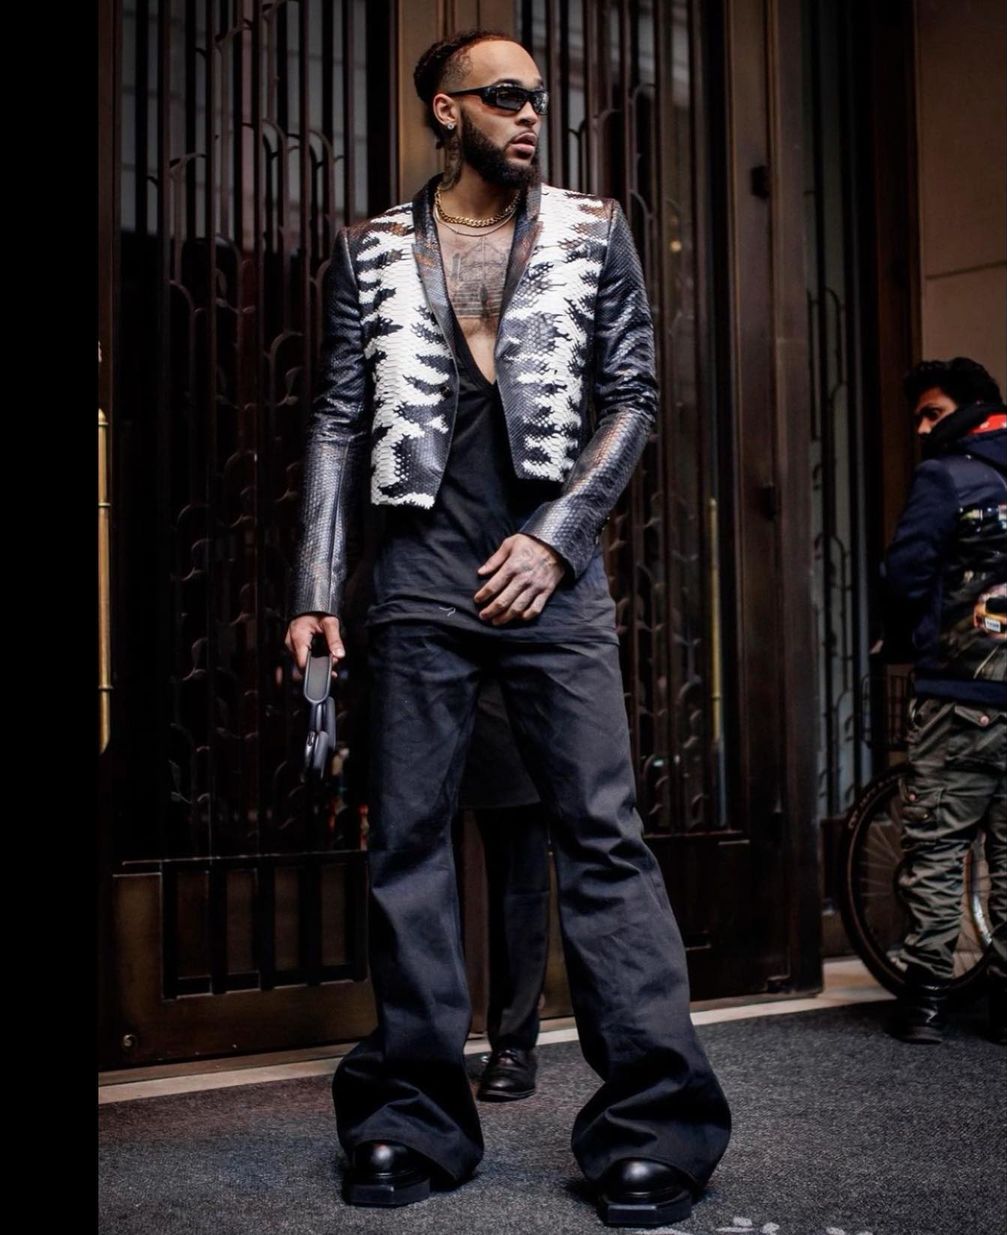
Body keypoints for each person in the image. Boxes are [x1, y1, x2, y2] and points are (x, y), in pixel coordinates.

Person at [283, 27, 731, 1229]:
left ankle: (654, 1125)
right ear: (446, 109)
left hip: (552, 573)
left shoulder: (594, 229)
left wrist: (558, 535)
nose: (532, 114)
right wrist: (316, 587)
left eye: (539, 97)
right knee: (408, 845)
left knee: (603, 836)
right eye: (504, 95)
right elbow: (336, 418)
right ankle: (410, 1118)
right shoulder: (371, 249)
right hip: (417, 570)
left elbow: (632, 396)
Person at [884, 357, 1007, 1046]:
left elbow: (906, 574)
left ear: (971, 409)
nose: (923, 429)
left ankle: (926, 999)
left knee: (937, 845)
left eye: (932, 413)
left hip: (961, 693)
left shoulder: (946, 477)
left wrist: (906, 641)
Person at [458, 676, 551, 1103]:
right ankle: (422, 1043)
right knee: (417, 871)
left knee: (520, 880)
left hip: (510, 688)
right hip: (419, 678)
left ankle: (514, 1041)